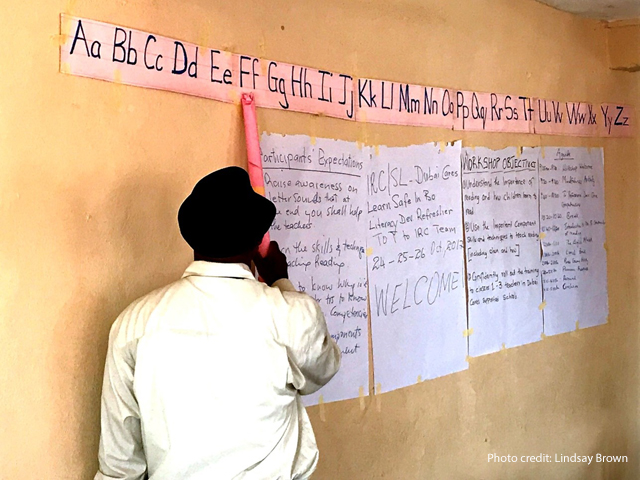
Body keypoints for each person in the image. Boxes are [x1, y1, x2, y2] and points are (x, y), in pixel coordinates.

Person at [95, 166, 341, 480]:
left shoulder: (133, 324)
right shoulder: (290, 314)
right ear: (257, 244)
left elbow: (119, 467)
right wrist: (281, 281)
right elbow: (321, 369)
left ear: (193, 239)